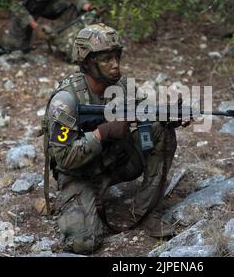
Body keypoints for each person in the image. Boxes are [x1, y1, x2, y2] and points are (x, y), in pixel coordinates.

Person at [42, 23, 185, 254]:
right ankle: (85, 202)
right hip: (79, 176)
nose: (115, 64)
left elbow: (147, 111)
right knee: (83, 243)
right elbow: (64, 160)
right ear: (87, 62)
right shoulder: (65, 101)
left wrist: (172, 117)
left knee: (161, 130)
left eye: (117, 56)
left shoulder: (122, 87)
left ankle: (147, 212)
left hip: (114, 163)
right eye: (106, 59)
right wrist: (103, 133)